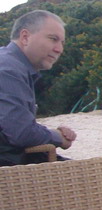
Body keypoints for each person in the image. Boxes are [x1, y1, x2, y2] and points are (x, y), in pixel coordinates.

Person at [0, 10, 77, 166]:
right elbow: (21, 133)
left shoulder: (12, 65)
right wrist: (58, 137)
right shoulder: (8, 71)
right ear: (25, 37)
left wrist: (51, 133)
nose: (59, 49)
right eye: (53, 39)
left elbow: (12, 125)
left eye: (62, 43)